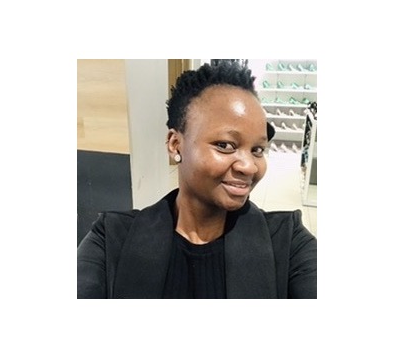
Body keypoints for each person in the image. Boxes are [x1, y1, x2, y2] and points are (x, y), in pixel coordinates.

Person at [77, 60, 317, 299]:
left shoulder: (287, 242)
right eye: (225, 145)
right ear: (175, 144)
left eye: (257, 150)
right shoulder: (112, 239)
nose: (249, 166)